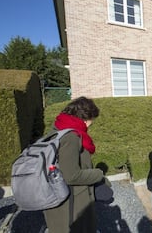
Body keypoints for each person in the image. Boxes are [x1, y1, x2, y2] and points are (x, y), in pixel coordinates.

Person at [43, 96, 109, 232]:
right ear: (85, 118)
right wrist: (98, 174)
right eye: (92, 120)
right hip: (72, 206)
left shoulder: (57, 131)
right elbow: (71, 175)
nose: (91, 124)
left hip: (61, 201)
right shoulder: (71, 138)